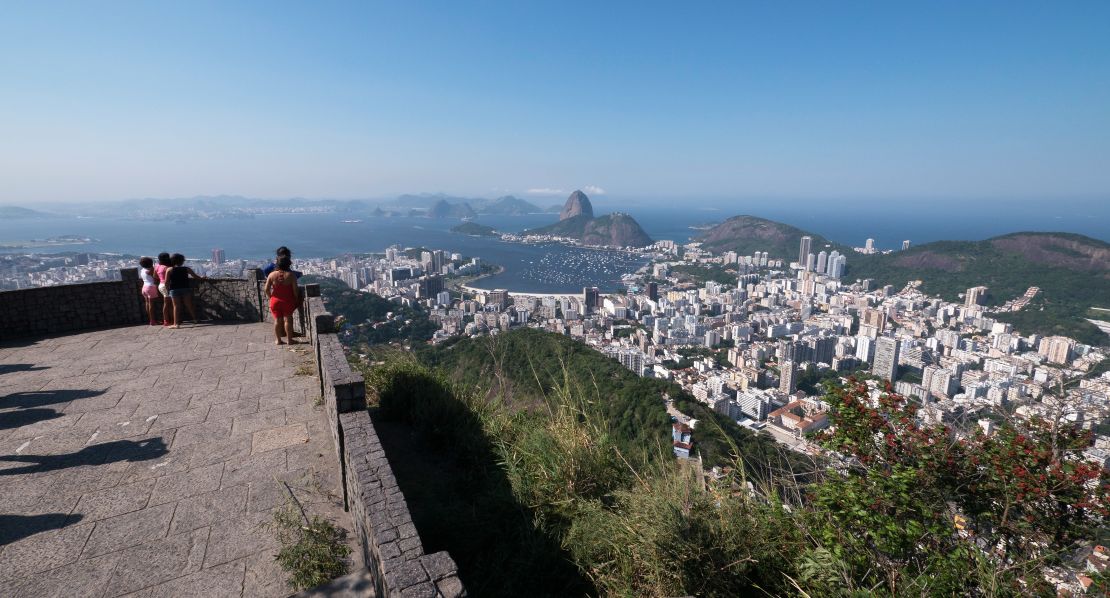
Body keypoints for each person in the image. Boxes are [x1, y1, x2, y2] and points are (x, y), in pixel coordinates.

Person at [265, 255, 301, 345]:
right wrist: (296, 298)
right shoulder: (291, 275)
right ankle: (289, 340)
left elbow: (266, 289)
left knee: (277, 320)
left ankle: (278, 340)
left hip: (275, 301)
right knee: (288, 320)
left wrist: (271, 298)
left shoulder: (271, 275)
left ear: (277, 263)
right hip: (287, 301)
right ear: (288, 264)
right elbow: (295, 290)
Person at [165, 253, 205, 328]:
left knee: (176, 306)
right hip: (185, 288)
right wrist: (203, 278)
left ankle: (176, 324)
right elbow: (196, 277)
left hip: (174, 289)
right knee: (189, 304)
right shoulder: (186, 269)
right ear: (182, 261)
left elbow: (166, 281)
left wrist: (167, 290)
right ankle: (195, 319)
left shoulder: (169, 270)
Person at [139, 257, 160, 325]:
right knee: (151, 305)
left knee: (147, 303)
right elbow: (156, 278)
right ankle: (153, 321)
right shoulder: (151, 270)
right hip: (151, 287)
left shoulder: (142, 270)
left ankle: (151, 319)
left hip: (144, 287)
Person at [155, 252, 173, 327]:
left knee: (168, 304)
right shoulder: (167, 268)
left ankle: (170, 319)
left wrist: (161, 278)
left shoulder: (157, 266)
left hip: (160, 285)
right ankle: (167, 320)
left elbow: (155, 276)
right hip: (166, 286)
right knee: (167, 304)